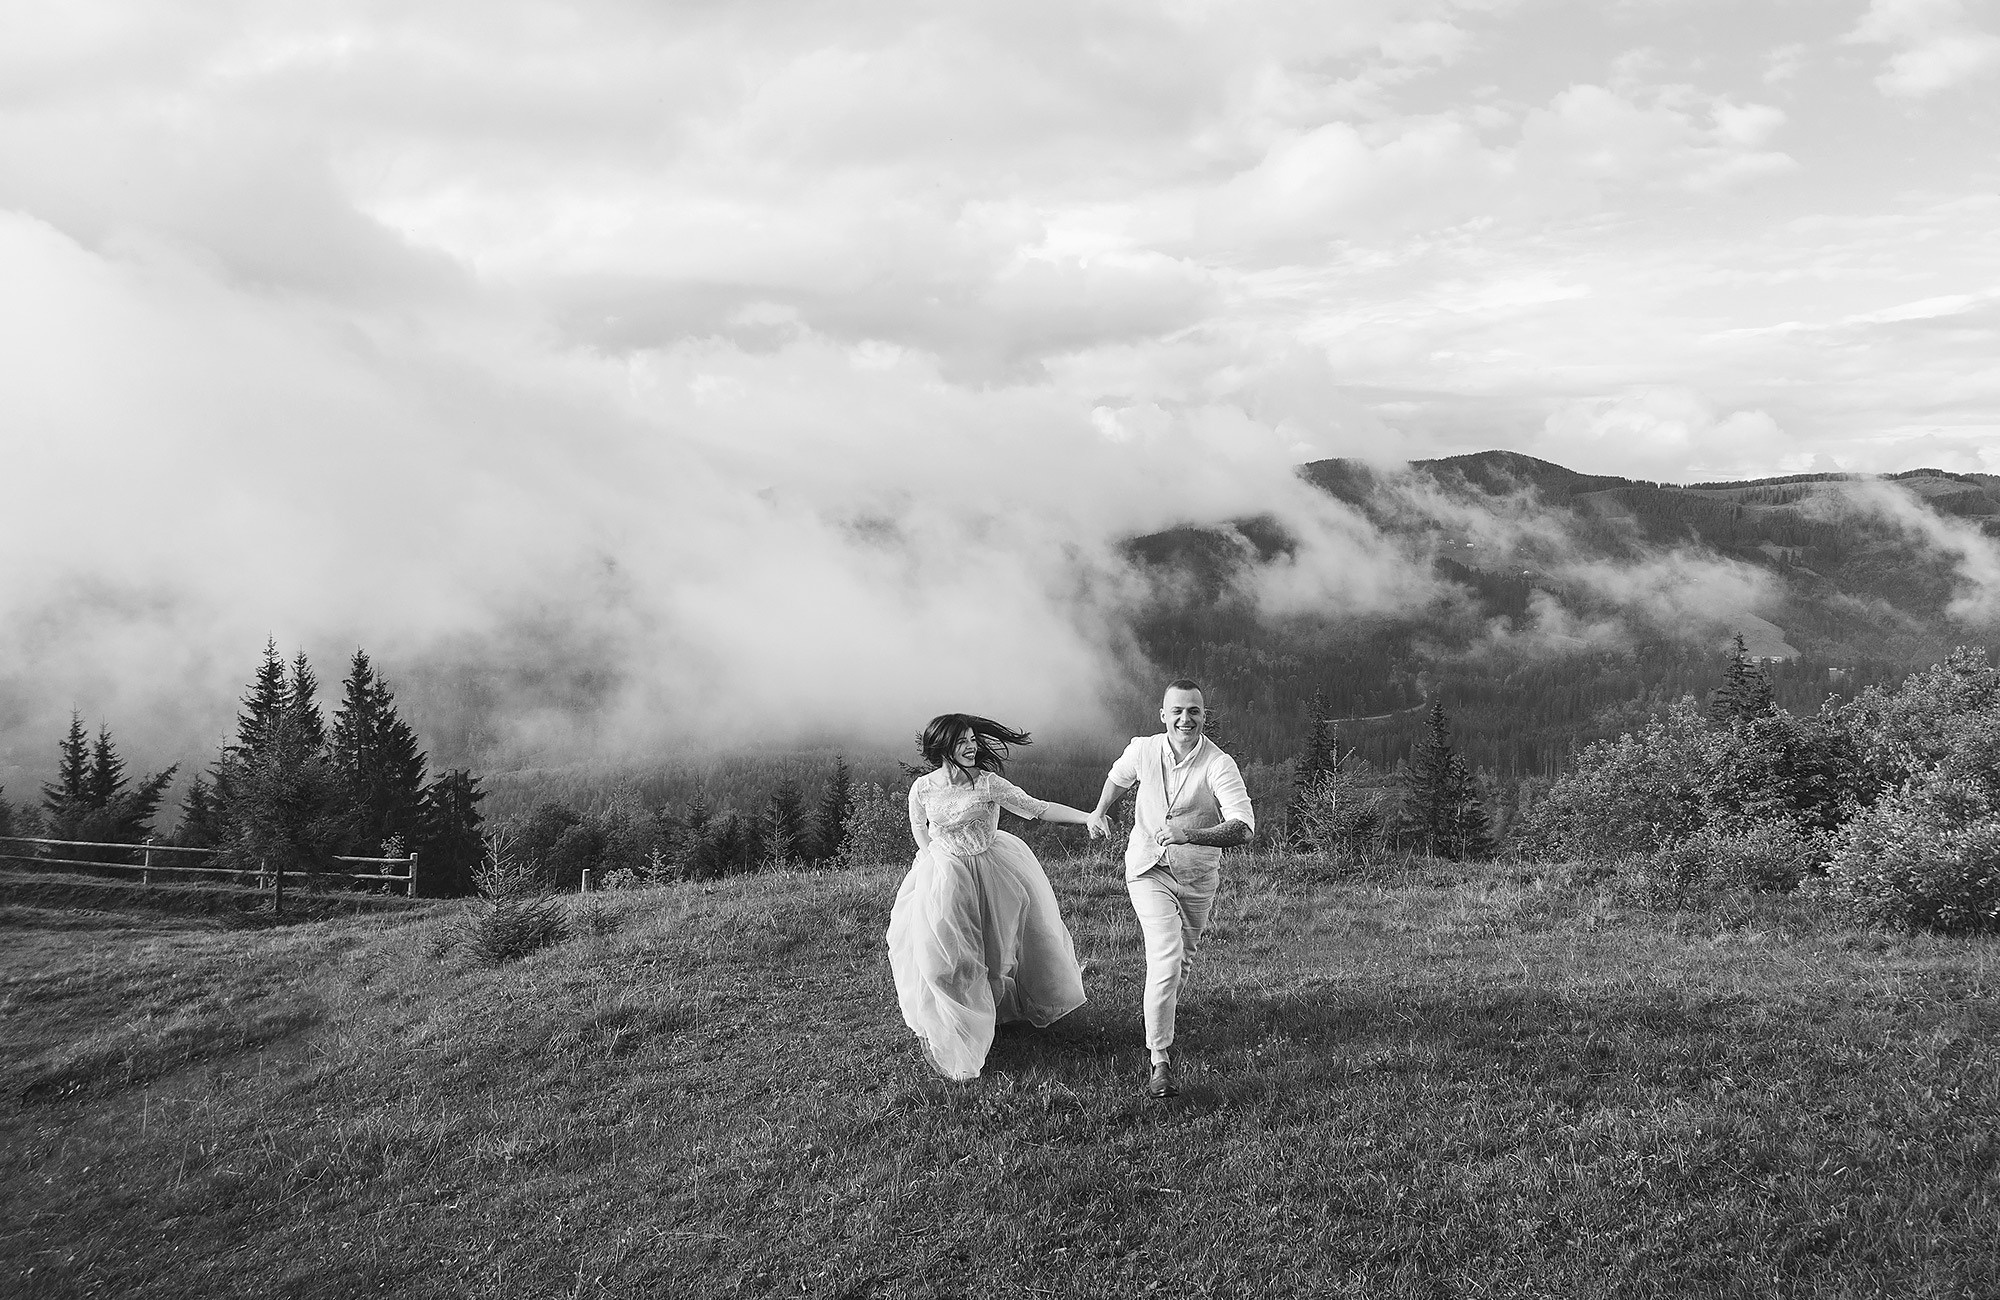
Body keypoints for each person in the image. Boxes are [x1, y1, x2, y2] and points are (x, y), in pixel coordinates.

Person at [887, 713, 1102, 1081]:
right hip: (945, 877)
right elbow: (918, 823)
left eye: (973, 739)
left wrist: (1088, 817)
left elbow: (1038, 807)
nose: (972, 746)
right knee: (943, 957)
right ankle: (957, 1024)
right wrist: (930, 857)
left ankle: (998, 1016)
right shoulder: (923, 787)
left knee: (996, 952)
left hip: (990, 871)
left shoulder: (987, 784)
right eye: (962, 741)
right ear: (943, 747)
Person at [1088, 679, 1254, 1098]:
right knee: (1166, 956)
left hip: (1197, 877)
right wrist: (1100, 811)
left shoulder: (1220, 764)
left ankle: (1158, 1014)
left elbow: (1243, 828)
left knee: (1182, 963)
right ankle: (1159, 1060)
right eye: (1177, 710)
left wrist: (1190, 835)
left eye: (1194, 711)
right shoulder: (1142, 749)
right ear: (1163, 715)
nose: (1186, 718)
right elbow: (1117, 777)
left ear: (1204, 715)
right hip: (1147, 869)